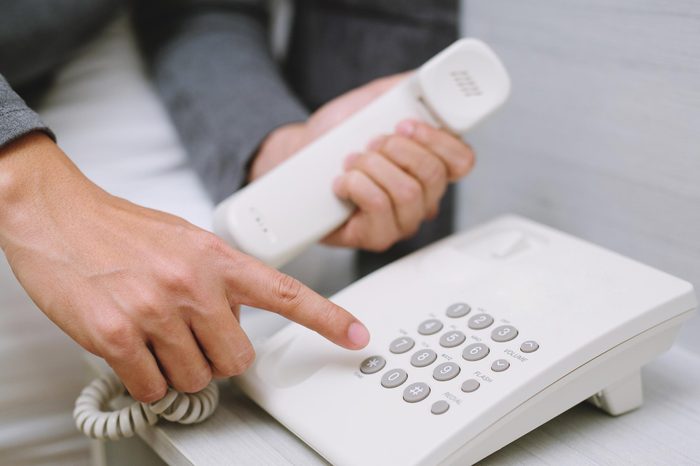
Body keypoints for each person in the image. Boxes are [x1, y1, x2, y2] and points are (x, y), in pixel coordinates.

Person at [0, 0, 468, 463]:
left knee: (260, 273)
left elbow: (202, 9)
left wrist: (270, 144)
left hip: (81, 41)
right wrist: (29, 194)